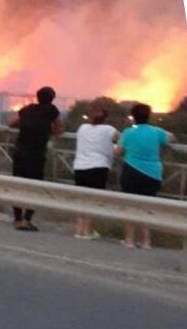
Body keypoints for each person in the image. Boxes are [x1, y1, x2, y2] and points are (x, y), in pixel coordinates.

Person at [115, 102, 173, 249]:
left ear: (133, 117)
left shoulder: (127, 133)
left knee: (130, 205)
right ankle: (146, 241)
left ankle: (129, 239)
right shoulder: (156, 132)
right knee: (147, 206)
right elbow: (171, 138)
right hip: (153, 174)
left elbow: (118, 151)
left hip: (131, 172)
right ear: (149, 116)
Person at [8, 86, 63, 232]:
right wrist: (46, 129)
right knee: (35, 188)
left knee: (17, 185)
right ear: (52, 98)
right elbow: (59, 129)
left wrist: (27, 125)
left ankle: (17, 219)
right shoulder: (52, 110)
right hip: (37, 155)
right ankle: (27, 220)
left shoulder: (28, 109)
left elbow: (11, 123)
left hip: (20, 153)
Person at [71, 105, 119, 239]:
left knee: (82, 198)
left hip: (80, 167)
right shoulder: (109, 129)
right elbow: (120, 140)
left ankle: (79, 229)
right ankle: (88, 230)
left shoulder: (82, 128)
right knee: (93, 199)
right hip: (98, 166)